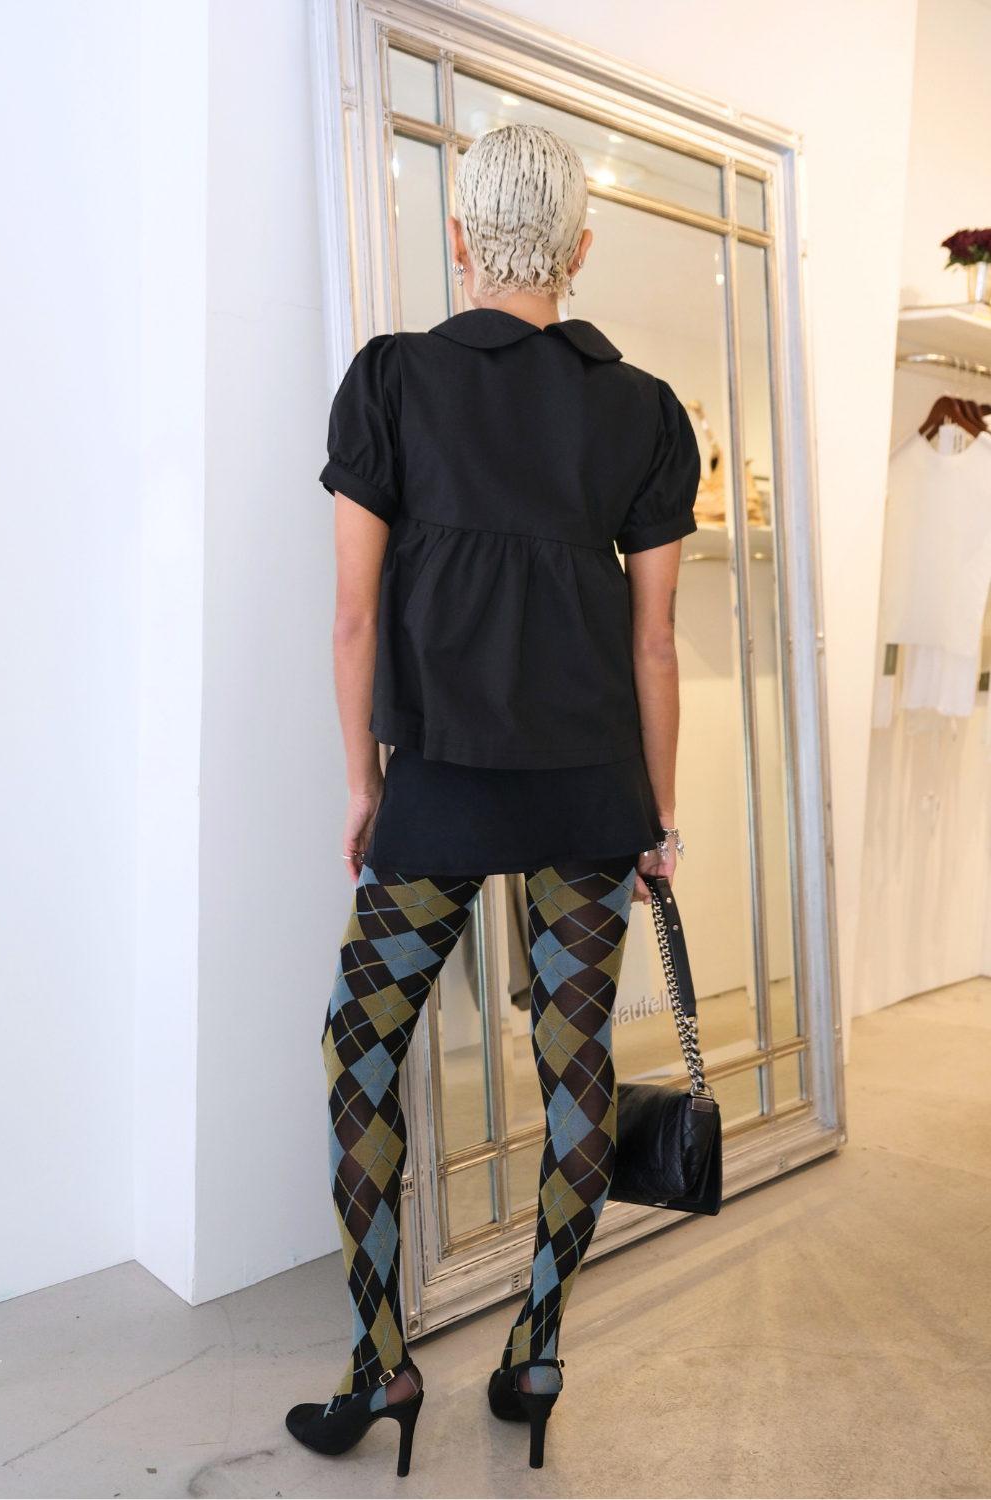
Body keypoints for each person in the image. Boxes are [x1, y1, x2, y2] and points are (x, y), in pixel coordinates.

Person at [285, 122, 699, 1474]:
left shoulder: (389, 382)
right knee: (577, 1072)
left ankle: (379, 1365)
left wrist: (363, 784)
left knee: (358, 1054)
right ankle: (535, 1353)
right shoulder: (646, 410)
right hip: (590, 801)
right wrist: (660, 816)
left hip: (441, 789)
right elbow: (653, 645)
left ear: (460, 237)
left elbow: (354, 619)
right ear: (580, 250)